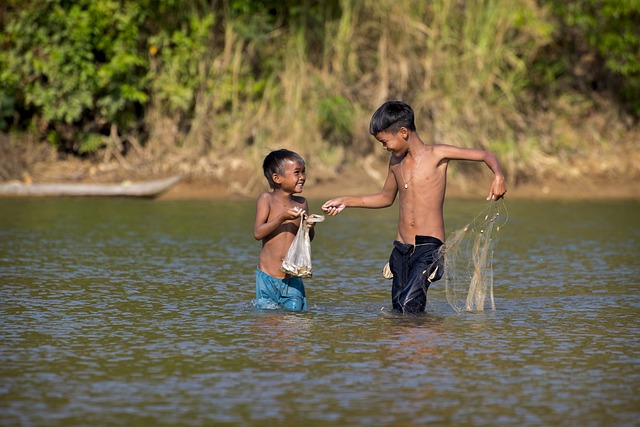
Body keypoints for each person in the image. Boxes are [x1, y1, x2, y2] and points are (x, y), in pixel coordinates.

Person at [321, 100, 507, 314]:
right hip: (401, 249)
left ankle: (426, 346)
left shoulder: (437, 155)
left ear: (403, 132)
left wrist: (498, 176)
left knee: (410, 306)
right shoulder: (395, 162)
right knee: (399, 309)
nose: (384, 147)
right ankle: (408, 346)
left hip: (429, 248)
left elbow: (486, 155)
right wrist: (346, 200)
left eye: (385, 141)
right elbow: (385, 198)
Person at [254, 149, 317, 310]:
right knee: (267, 319)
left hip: (292, 276)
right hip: (267, 276)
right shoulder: (266, 199)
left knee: (295, 317)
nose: (302, 177)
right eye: (297, 172)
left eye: (303, 172)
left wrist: (309, 227)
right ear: (277, 178)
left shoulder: (302, 202)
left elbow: (308, 239)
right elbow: (258, 233)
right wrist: (282, 217)